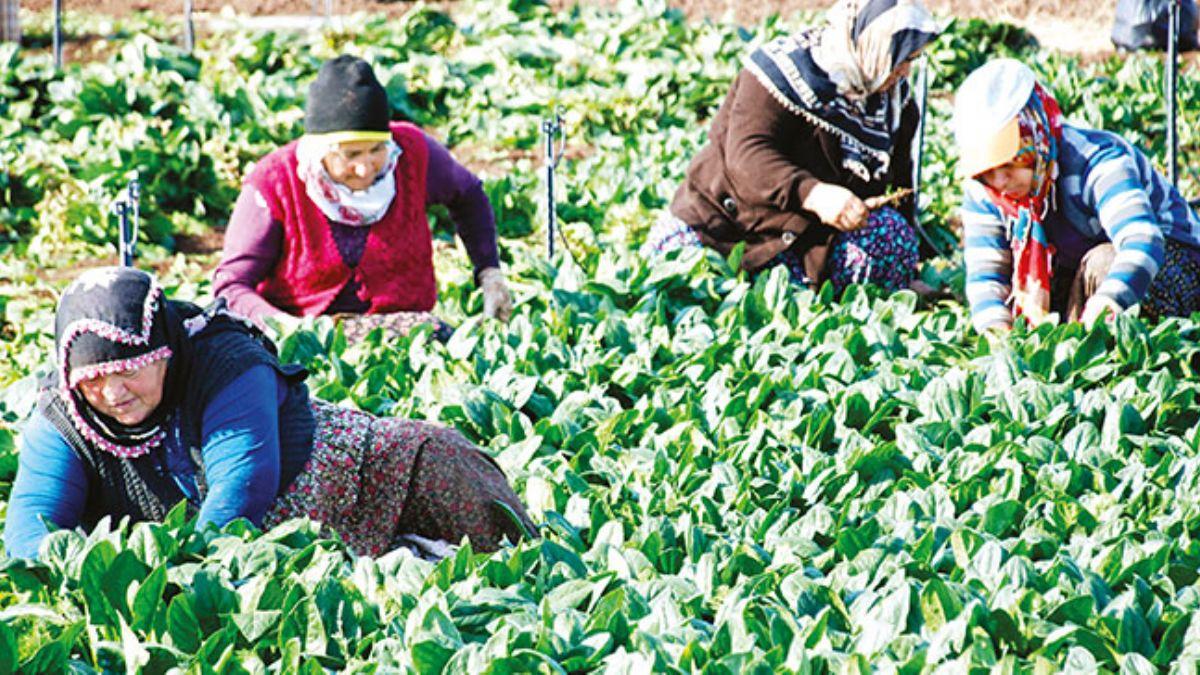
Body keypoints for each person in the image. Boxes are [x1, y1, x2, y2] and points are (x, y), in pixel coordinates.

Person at [4, 267, 535, 560]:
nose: (114, 392)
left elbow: (242, 489)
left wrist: (182, 572)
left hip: (369, 479)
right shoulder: (64, 416)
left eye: (133, 369)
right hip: (277, 556)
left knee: (458, 484)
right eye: (93, 380)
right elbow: (30, 531)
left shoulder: (227, 363)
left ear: (165, 350)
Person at [642, 0, 941, 294]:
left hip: (804, 243)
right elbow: (747, 154)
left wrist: (906, 266)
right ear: (872, 45)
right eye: (901, 58)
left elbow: (900, 185)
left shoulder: (894, 105)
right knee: (676, 280)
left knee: (891, 236)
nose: (904, 72)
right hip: (725, 224)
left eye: (911, 60)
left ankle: (804, 288)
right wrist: (813, 194)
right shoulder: (780, 73)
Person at [213, 55, 513, 343]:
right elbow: (231, 286)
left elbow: (469, 194)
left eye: (376, 150)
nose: (365, 167)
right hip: (305, 336)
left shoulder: (410, 153)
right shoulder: (275, 182)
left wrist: (488, 270)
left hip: (406, 330)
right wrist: (287, 329)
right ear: (321, 150)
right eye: (351, 154)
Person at [954, 58, 1200, 333]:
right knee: (1025, 303)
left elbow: (1143, 240)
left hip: (1172, 270)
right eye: (988, 171)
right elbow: (986, 278)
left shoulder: (1097, 161)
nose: (1000, 181)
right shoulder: (985, 191)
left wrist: (1107, 302)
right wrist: (998, 336)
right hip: (1078, 274)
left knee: (1105, 261)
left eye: (1011, 163)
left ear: (1037, 140)